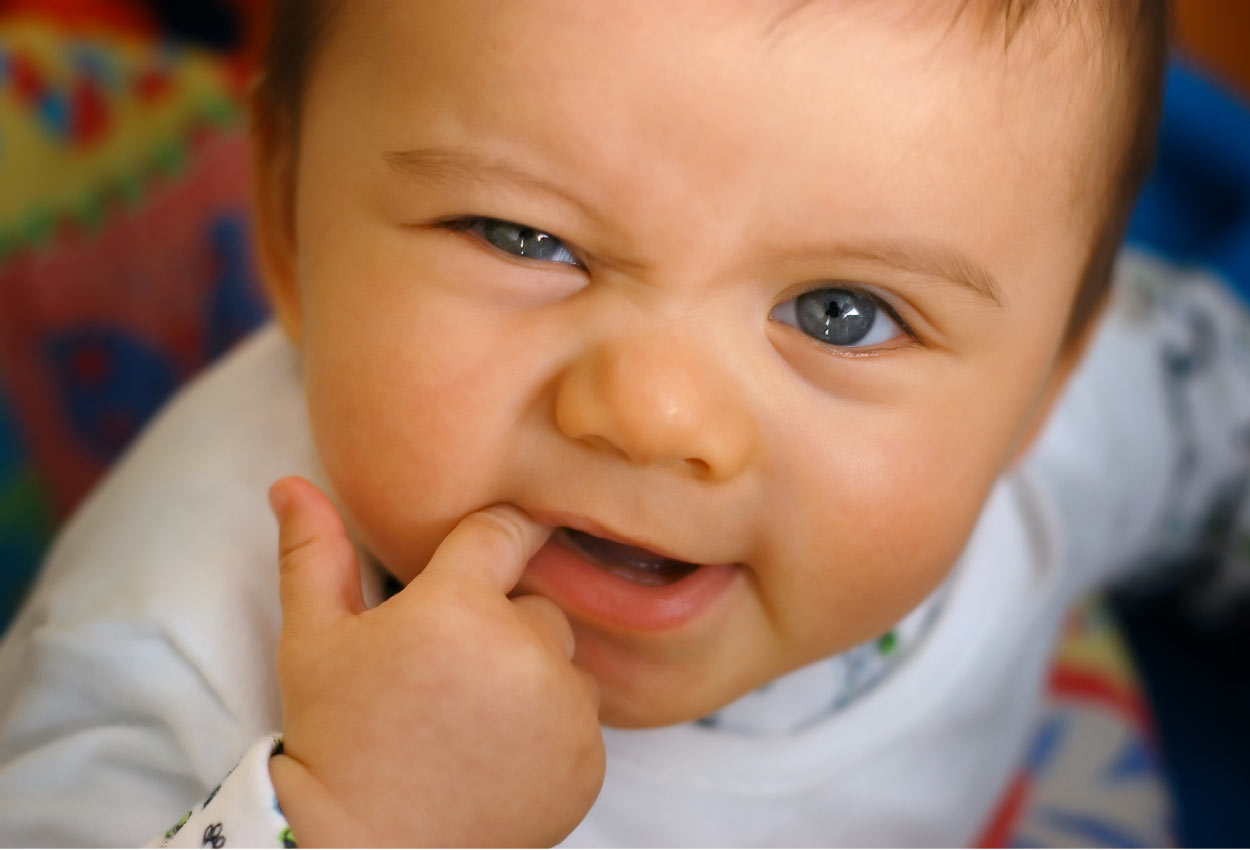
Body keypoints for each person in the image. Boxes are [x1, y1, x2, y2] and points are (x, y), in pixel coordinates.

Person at [1, 0, 1248, 845]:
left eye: (842, 313)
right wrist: (360, 822)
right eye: (524, 237)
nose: (656, 416)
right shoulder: (172, 648)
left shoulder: (1080, 428)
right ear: (282, 217)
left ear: (1041, 385)